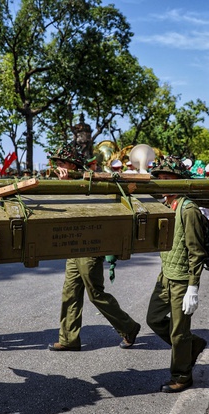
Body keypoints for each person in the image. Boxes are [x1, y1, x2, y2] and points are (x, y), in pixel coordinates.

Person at [47, 144, 141, 351]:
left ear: (71, 164)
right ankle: (68, 339)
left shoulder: (88, 180)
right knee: (69, 293)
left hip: (90, 245)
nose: (58, 166)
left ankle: (129, 327)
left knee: (95, 294)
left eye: (61, 162)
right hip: (73, 245)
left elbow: (85, 208)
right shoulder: (68, 180)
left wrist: (67, 184)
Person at [146, 156, 208, 393]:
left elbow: (196, 251)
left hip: (182, 280)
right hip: (165, 276)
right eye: (159, 178)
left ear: (179, 181)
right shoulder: (165, 205)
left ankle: (182, 375)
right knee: (154, 319)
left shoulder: (188, 209)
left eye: (168, 178)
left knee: (179, 332)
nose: (163, 183)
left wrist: (193, 287)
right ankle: (194, 346)